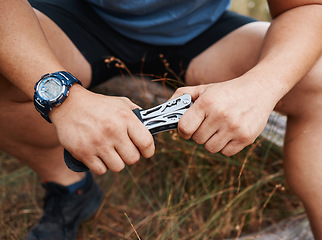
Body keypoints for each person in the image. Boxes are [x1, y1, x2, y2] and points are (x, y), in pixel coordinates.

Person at [0, 0, 321, 239]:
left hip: (201, 32)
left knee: (317, 81)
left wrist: (260, 87)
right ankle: (70, 189)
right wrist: (63, 99)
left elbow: (306, 7)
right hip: (76, 17)